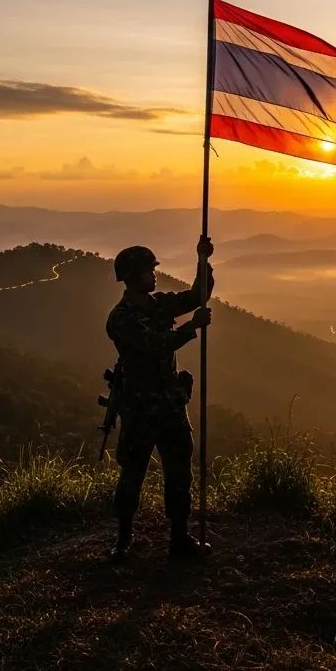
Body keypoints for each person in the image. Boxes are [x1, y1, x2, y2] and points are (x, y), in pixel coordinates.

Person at [105, 236, 214, 560]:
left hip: (169, 404)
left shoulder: (158, 305)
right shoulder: (120, 319)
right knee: (133, 474)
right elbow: (154, 344)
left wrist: (202, 259)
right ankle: (122, 541)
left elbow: (197, 296)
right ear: (132, 276)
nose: (154, 275)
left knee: (179, 472)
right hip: (140, 409)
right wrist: (190, 328)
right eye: (148, 271)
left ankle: (179, 539)